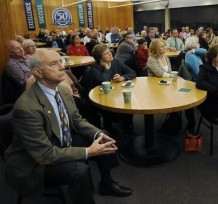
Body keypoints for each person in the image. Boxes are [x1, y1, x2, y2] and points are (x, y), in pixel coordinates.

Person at [4, 49, 132, 204]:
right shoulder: (26, 108)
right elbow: (44, 154)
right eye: (54, 64)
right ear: (38, 72)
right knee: (79, 170)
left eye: (60, 61)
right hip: (34, 163)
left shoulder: (63, 90)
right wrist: (88, 151)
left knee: (104, 137)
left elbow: (77, 120)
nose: (61, 67)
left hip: (59, 140)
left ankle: (107, 184)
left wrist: (97, 133)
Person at [81, 43, 136, 134]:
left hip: (115, 94)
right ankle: (109, 127)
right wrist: (106, 68)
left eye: (109, 51)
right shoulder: (94, 69)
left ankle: (126, 124)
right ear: (100, 58)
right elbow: (103, 81)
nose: (110, 53)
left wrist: (122, 78)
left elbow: (132, 73)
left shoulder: (116, 62)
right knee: (117, 109)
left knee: (129, 102)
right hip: (99, 98)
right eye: (106, 53)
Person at [2, 40, 34, 104]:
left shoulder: (26, 58)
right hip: (25, 93)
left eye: (21, 47)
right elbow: (25, 82)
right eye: (17, 48)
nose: (21, 49)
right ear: (10, 53)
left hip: (35, 85)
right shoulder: (11, 65)